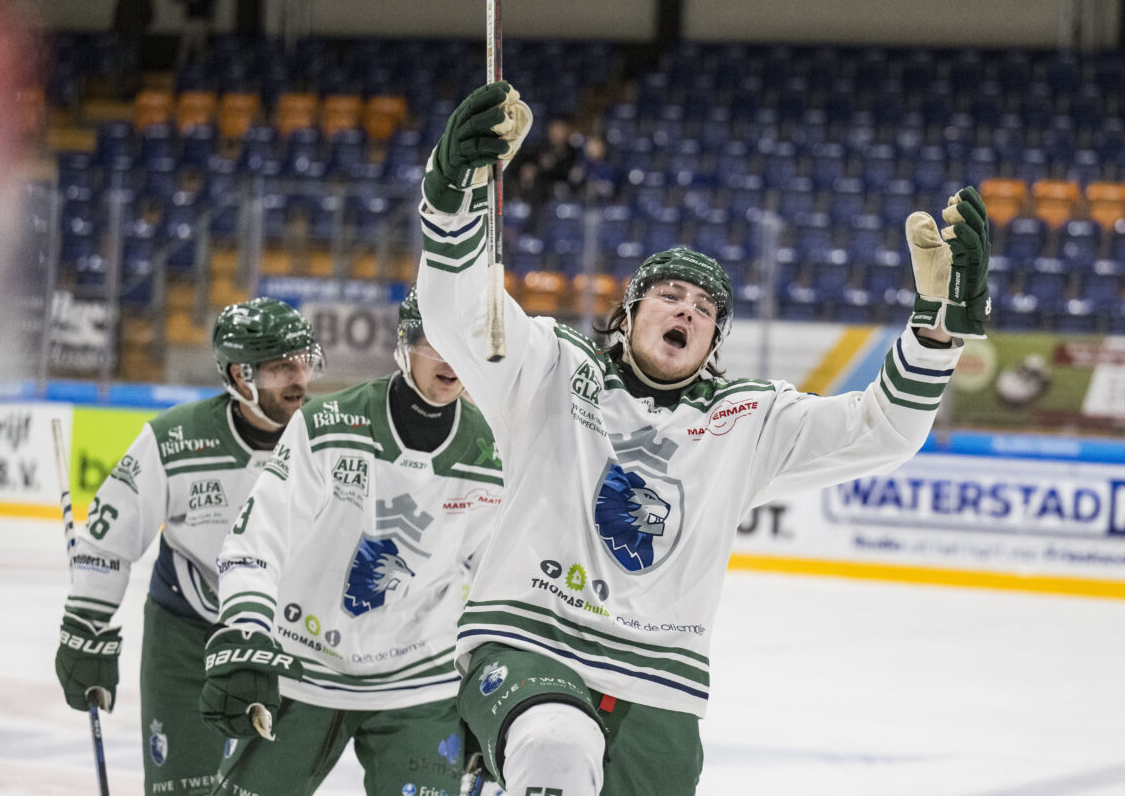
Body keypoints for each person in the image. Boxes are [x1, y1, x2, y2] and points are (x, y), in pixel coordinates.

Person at [415, 82, 989, 795]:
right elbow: (458, 311)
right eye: (669, 296)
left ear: (714, 340)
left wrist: (935, 337)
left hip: (661, 681)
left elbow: (882, 431)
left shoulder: (747, 419)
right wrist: (453, 195)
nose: (688, 308)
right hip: (534, 640)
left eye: (706, 307)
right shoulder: (553, 367)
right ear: (626, 316)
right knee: (556, 743)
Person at [198, 287, 504, 796]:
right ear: (403, 345)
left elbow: (498, 581)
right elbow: (255, 542)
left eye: (464, 342)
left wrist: (488, 686)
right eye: (436, 341)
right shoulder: (326, 426)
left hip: (418, 679)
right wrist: (248, 629)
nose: (452, 359)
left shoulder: (491, 454)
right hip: (302, 665)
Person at [54, 297, 322, 796]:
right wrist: (84, 626)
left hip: (285, 639)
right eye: (280, 368)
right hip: (184, 636)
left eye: (303, 363)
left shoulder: (326, 440)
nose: (299, 380)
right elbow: (110, 538)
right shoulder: (174, 439)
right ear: (240, 376)